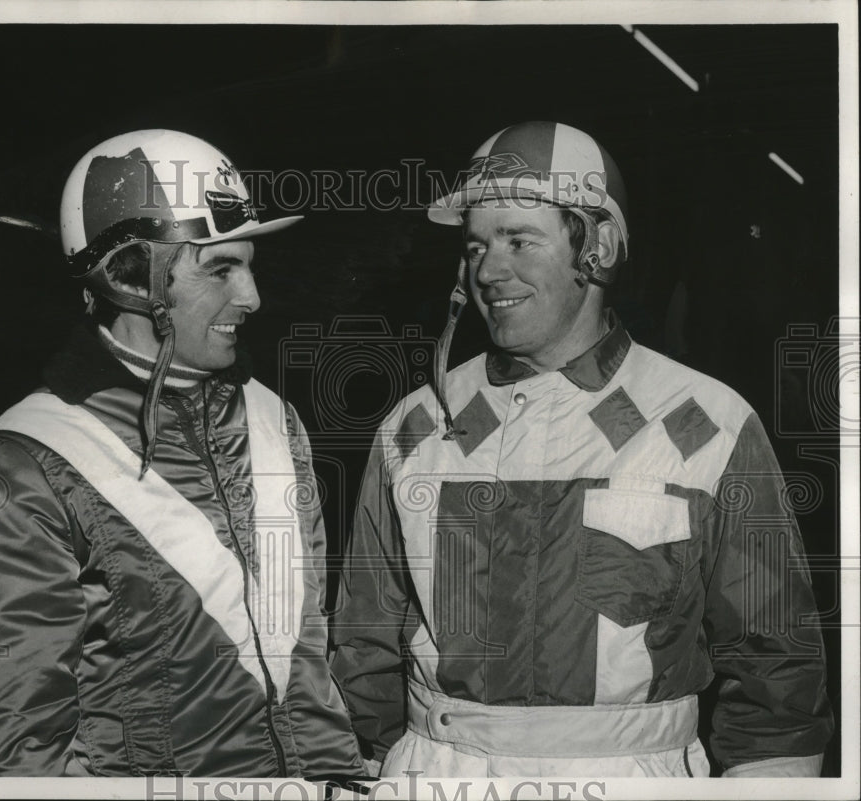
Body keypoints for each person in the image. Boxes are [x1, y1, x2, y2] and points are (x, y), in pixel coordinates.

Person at [331, 121, 834, 778]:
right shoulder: (419, 424)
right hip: (437, 771)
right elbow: (363, 645)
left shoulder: (706, 423)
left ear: (597, 247)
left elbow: (776, 668)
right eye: (477, 243)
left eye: (519, 239)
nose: (488, 269)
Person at [0, 129, 363, 777]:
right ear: (132, 276)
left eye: (249, 264)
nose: (252, 298)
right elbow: (10, 749)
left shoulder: (275, 419)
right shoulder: (24, 464)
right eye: (220, 268)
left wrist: (340, 780)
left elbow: (305, 662)